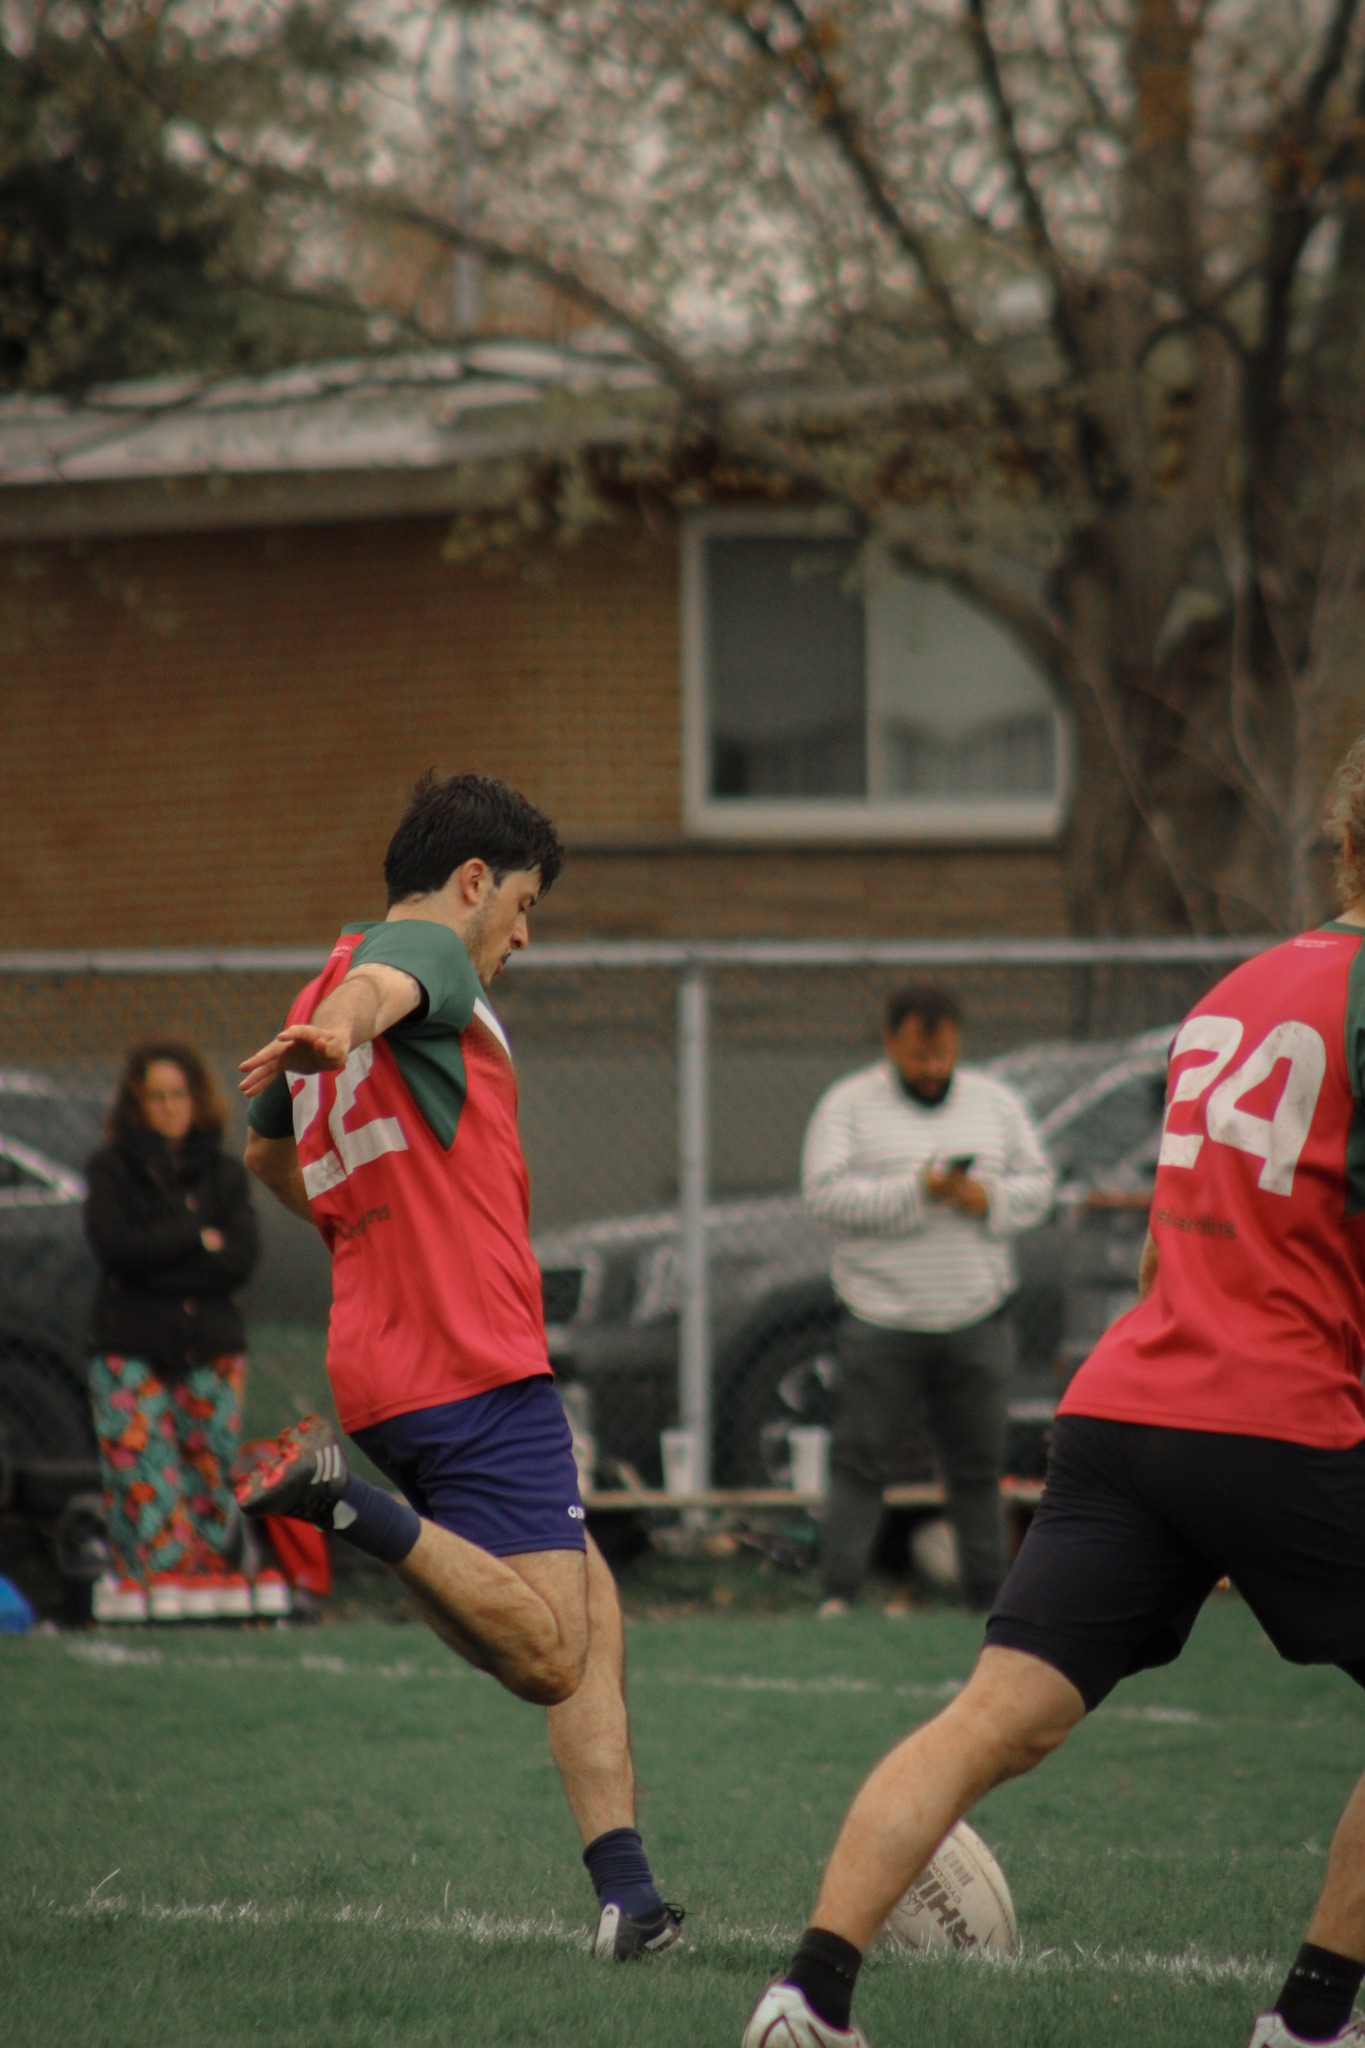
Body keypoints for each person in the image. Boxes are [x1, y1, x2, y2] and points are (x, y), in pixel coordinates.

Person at [742, 738, 1365, 2048]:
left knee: (988, 1720)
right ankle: (1312, 2021)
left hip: (1127, 1408)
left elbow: (1160, 1244)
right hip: (1278, 1421)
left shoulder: (1236, 990)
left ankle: (807, 1998)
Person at [236, 770, 684, 1962]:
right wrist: (357, 1020)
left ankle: (629, 1899)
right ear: (473, 881)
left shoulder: (322, 974)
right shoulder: (412, 963)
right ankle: (342, 1499)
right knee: (549, 1650)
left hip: (386, 1362)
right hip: (474, 1357)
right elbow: (402, 982)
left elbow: (265, 1153)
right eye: (525, 902)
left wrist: (354, 1219)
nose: (524, 933)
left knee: (583, 1598)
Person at [801, 984, 1054, 1616]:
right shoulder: (848, 1105)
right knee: (862, 1463)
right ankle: (837, 1594)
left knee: (978, 1469)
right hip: (880, 1319)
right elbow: (826, 1196)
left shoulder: (996, 1103)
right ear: (890, 1042)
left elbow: (1041, 1186)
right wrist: (919, 1193)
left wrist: (987, 1199)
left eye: (942, 1056)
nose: (932, 1069)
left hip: (977, 1317)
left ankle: (989, 1600)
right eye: (918, 1056)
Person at [85, 1041, 260, 1623]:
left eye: (178, 1094)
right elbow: (118, 1250)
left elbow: (239, 1259)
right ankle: (153, 1586)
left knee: (211, 1470)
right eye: (155, 1097)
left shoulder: (225, 1173)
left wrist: (160, 1247)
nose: (168, 1107)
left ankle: (213, 1591)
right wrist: (194, 1234)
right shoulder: (111, 1169)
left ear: (197, 1099)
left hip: (209, 1345)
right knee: (144, 1474)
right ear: (137, 1104)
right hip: (129, 1345)